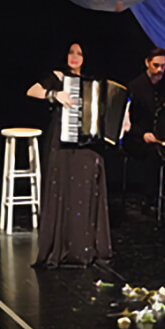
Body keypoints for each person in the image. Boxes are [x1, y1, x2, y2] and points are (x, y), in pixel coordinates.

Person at [27, 42, 113, 268]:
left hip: (86, 143)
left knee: (90, 178)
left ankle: (86, 245)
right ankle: (61, 246)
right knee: (63, 187)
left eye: (80, 53)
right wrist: (54, 94)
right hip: (61, 140)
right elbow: (32, 90)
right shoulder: (58, 76)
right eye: (71, 52)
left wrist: (122, 119)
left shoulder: (92, 82)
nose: (74, 57)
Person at [124, 47, 165, 210]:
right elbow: (127, 122)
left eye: (163, 66)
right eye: (156, 65)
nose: (160, 70)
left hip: (158, 137)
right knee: (155, 153)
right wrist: (143, 134)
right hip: (136, 139)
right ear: (147, 63)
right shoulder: (135, 87)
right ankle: (150, 199)